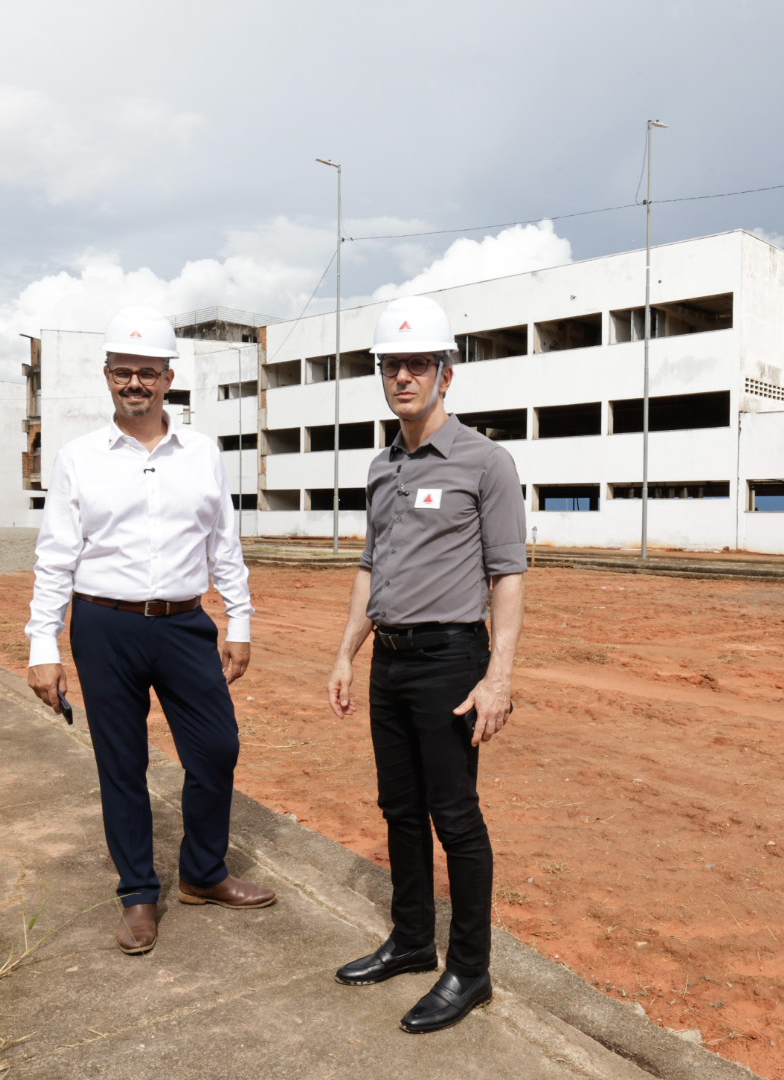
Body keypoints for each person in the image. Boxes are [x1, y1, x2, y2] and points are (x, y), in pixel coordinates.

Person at [26, 305, 275, 956]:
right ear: (107, 375)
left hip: (183, 623)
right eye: (122, 372)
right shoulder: (79, 458)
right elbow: (55, 557)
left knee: (216, 749)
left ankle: (203, 873)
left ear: (169, 378)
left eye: (147, 372)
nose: (134, 383)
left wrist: (239, 619)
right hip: (103, 625)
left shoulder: (202, 452)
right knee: (122, 763)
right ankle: (138, 894)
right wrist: (42, 646)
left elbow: (224, 543)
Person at [327, 295, 527, 1034]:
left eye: (417, 364)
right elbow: (369, 567)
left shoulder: (485, 461)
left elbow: (508, 575)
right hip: (391, 662)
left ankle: (470, 970)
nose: (403, 377)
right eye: (392, 366)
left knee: (456, 818)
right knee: (400, 811)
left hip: (450, 660)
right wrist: (346, 654)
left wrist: (497, 678)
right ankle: (412, 940)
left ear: (447, 373)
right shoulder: (382, 465)